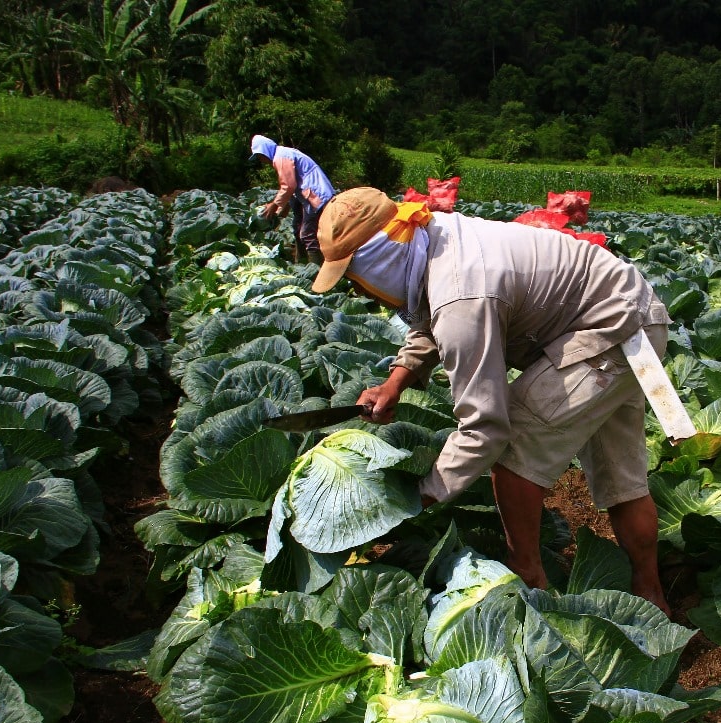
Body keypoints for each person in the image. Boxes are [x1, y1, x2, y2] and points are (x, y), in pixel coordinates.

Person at [310, 187, 673, 613]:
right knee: (620, 476)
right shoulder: (431, 235)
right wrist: (396, 381)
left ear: (379, 260)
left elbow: (485, 428)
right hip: (632, 314)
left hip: (609, 328)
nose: (359, 289)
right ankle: (652, 597)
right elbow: (432, 310)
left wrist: (413, 502)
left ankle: (528, 574)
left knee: (514, 446)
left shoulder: (461, 295)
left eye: (355, 275)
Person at [249, 134, 338, 263]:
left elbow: (289, 186)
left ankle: (317, 270)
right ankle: (303, 262)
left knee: (307, 233)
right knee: (299, 227)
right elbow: (293, 188)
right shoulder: (283, 154)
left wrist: (274, 205)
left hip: (316, 195)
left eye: (260, 156)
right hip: (309, 195)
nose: (261, 160)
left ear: (265, 150)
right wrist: (281, 210)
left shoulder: (280, 157)